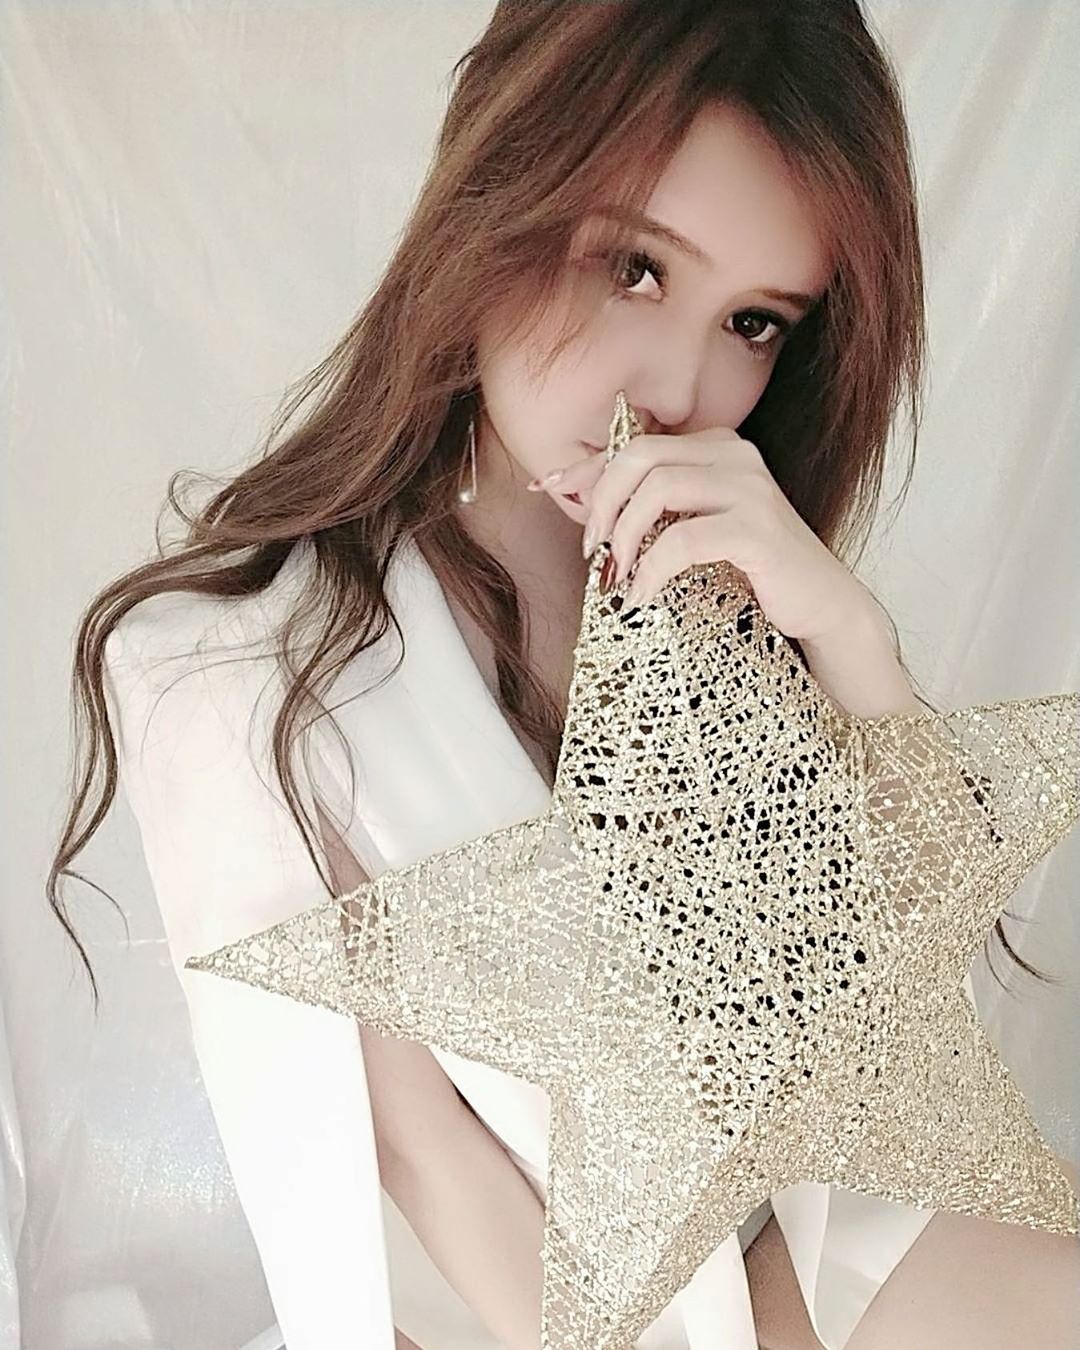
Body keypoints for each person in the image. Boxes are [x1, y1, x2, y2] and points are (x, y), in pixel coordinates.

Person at [47, 2, 1080, 1348]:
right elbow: (424, 1157)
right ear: (496, 201)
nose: (682, 385)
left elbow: (909, 1040)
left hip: (802, 1258)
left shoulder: (721, 605)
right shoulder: (240, 667)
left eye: (755, 321)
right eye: (636, 268)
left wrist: (850, 637)